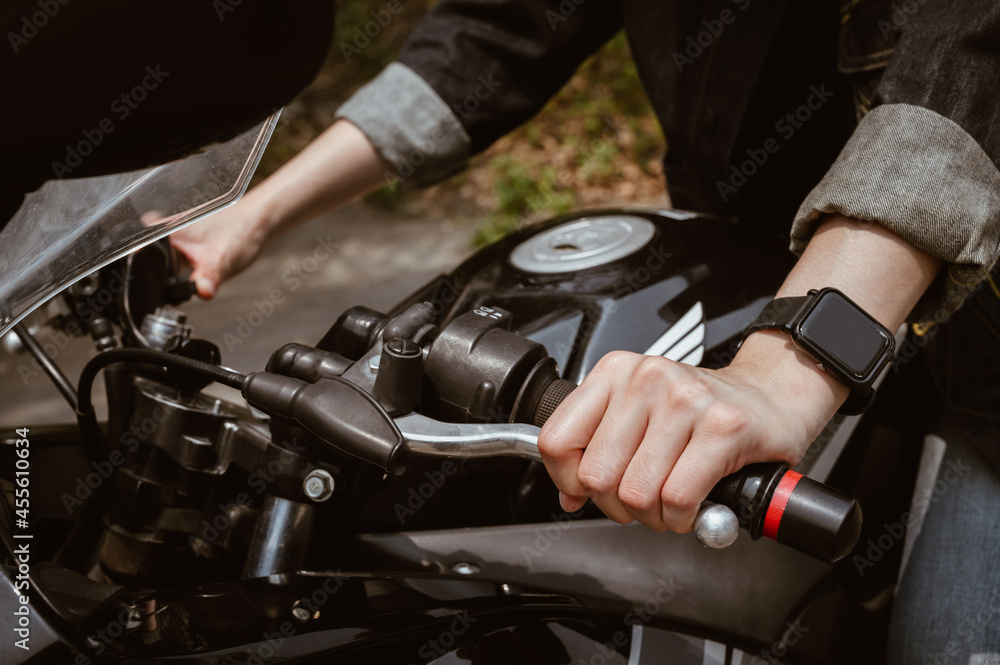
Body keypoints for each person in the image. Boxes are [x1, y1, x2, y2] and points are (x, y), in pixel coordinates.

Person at [170, 1, 1000, 660]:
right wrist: (246, 218)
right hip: (744, 276)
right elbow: (501, 29)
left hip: (982, 365)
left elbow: (965, 56)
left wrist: (781, 374)